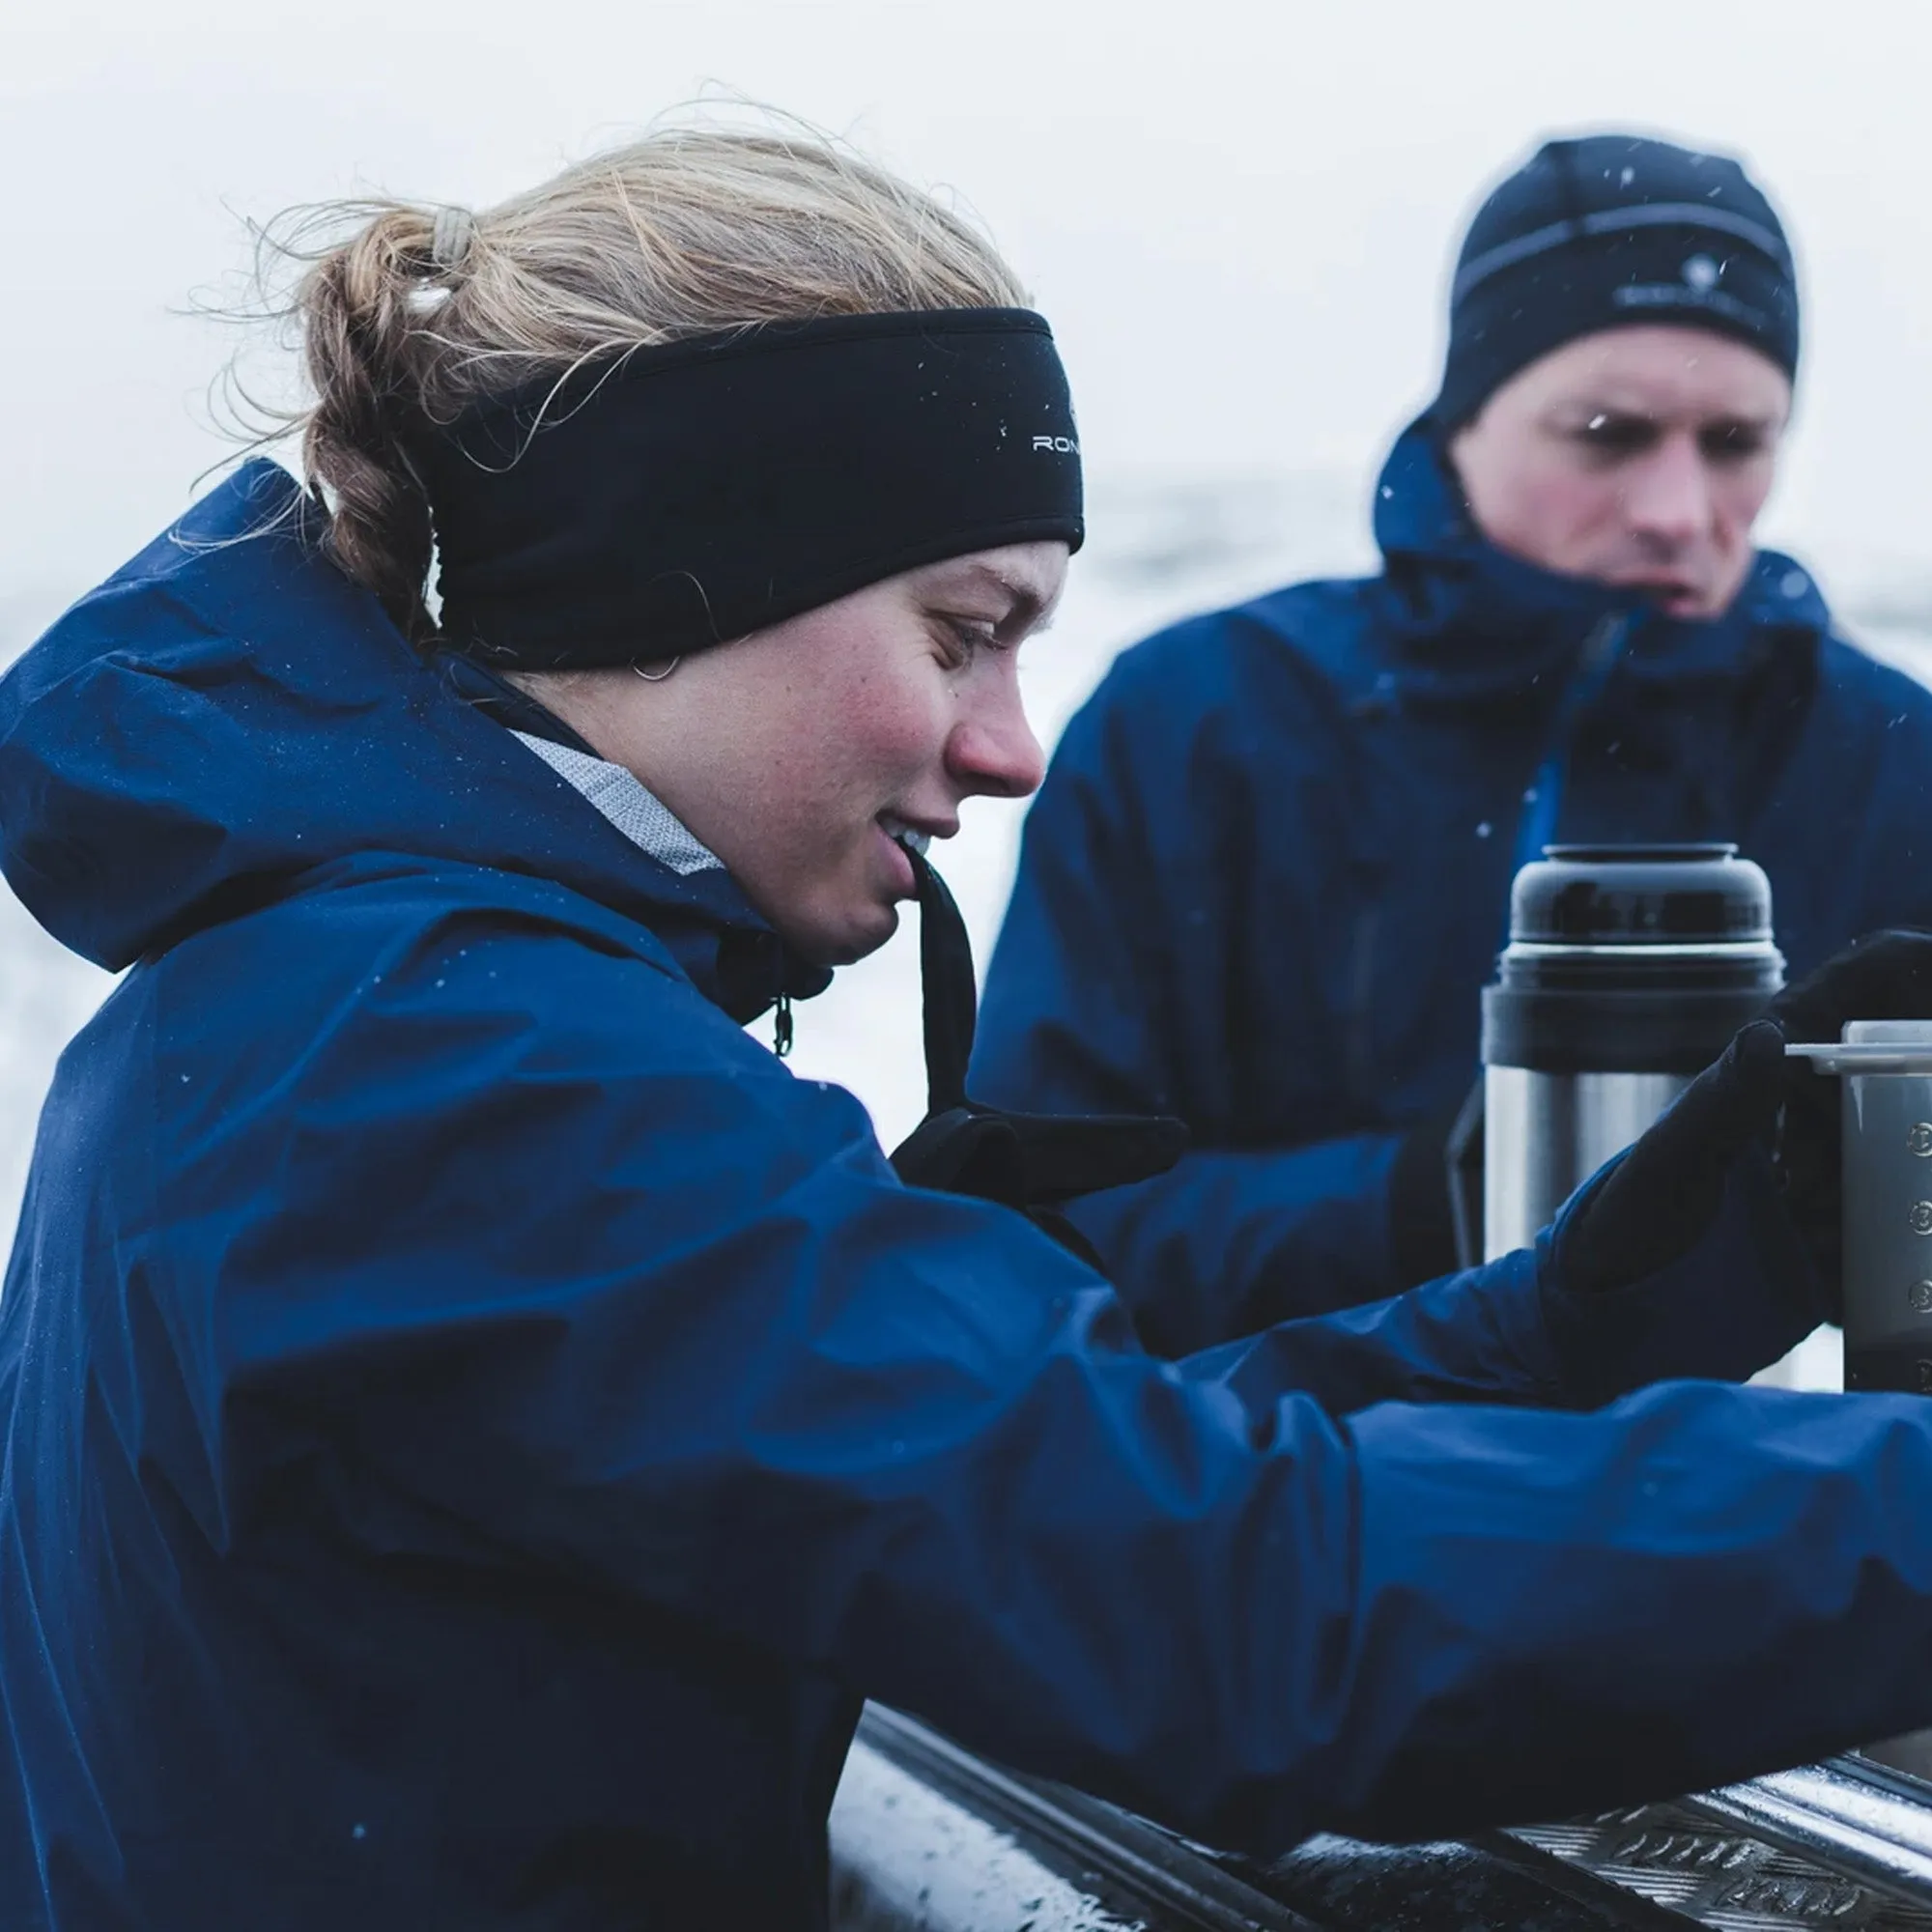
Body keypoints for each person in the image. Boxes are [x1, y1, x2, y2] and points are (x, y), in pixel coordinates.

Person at [8, 122, 1932, 1932]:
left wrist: (1574, 1306)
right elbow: (1226, 1610)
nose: (1012, 745)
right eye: (958, 630)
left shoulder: (330, 991)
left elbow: (1041, 1465)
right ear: (693, 567)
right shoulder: (466, 1071)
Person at [972, 131, 1932, 1341]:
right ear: (1464, 415)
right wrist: (1431, 1198)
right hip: (1299, 1498)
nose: (1678, 510)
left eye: (1734, 442)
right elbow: (1021, 1233)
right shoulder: (1197, 723)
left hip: (1770, 1507)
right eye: (1607, 433)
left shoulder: (1888, 752)